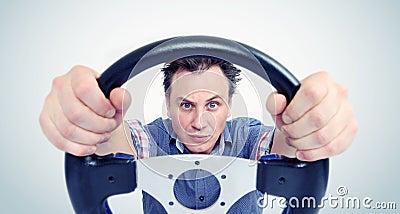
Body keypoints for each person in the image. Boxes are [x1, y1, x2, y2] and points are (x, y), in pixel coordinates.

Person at [39, 57, 358, 213]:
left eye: (213, 104)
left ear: (230, 106)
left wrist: (311, 118)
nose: (198, 122)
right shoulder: (152, 138)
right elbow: (112, 139)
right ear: (167, 104)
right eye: (186, 104)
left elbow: (288, 143)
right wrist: (91, 112)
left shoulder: (248, 138)